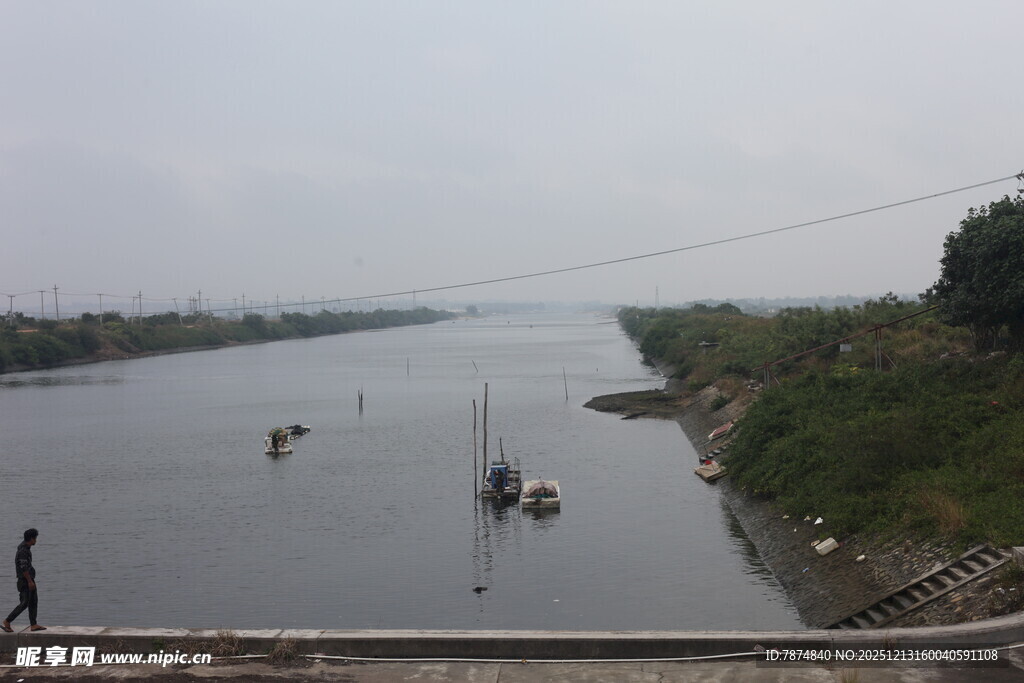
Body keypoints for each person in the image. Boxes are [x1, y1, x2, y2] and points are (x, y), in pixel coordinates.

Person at [2, 528, 45, 632]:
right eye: (35, 538)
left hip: (29, 579)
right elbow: (23, 568)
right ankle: (7, 621)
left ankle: (33, 624)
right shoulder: (23, 551)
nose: (36, 540)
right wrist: (30, 581)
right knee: (24, 603)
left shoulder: (25, 547)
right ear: (31, 539)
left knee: (33, 601)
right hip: (25, 581)